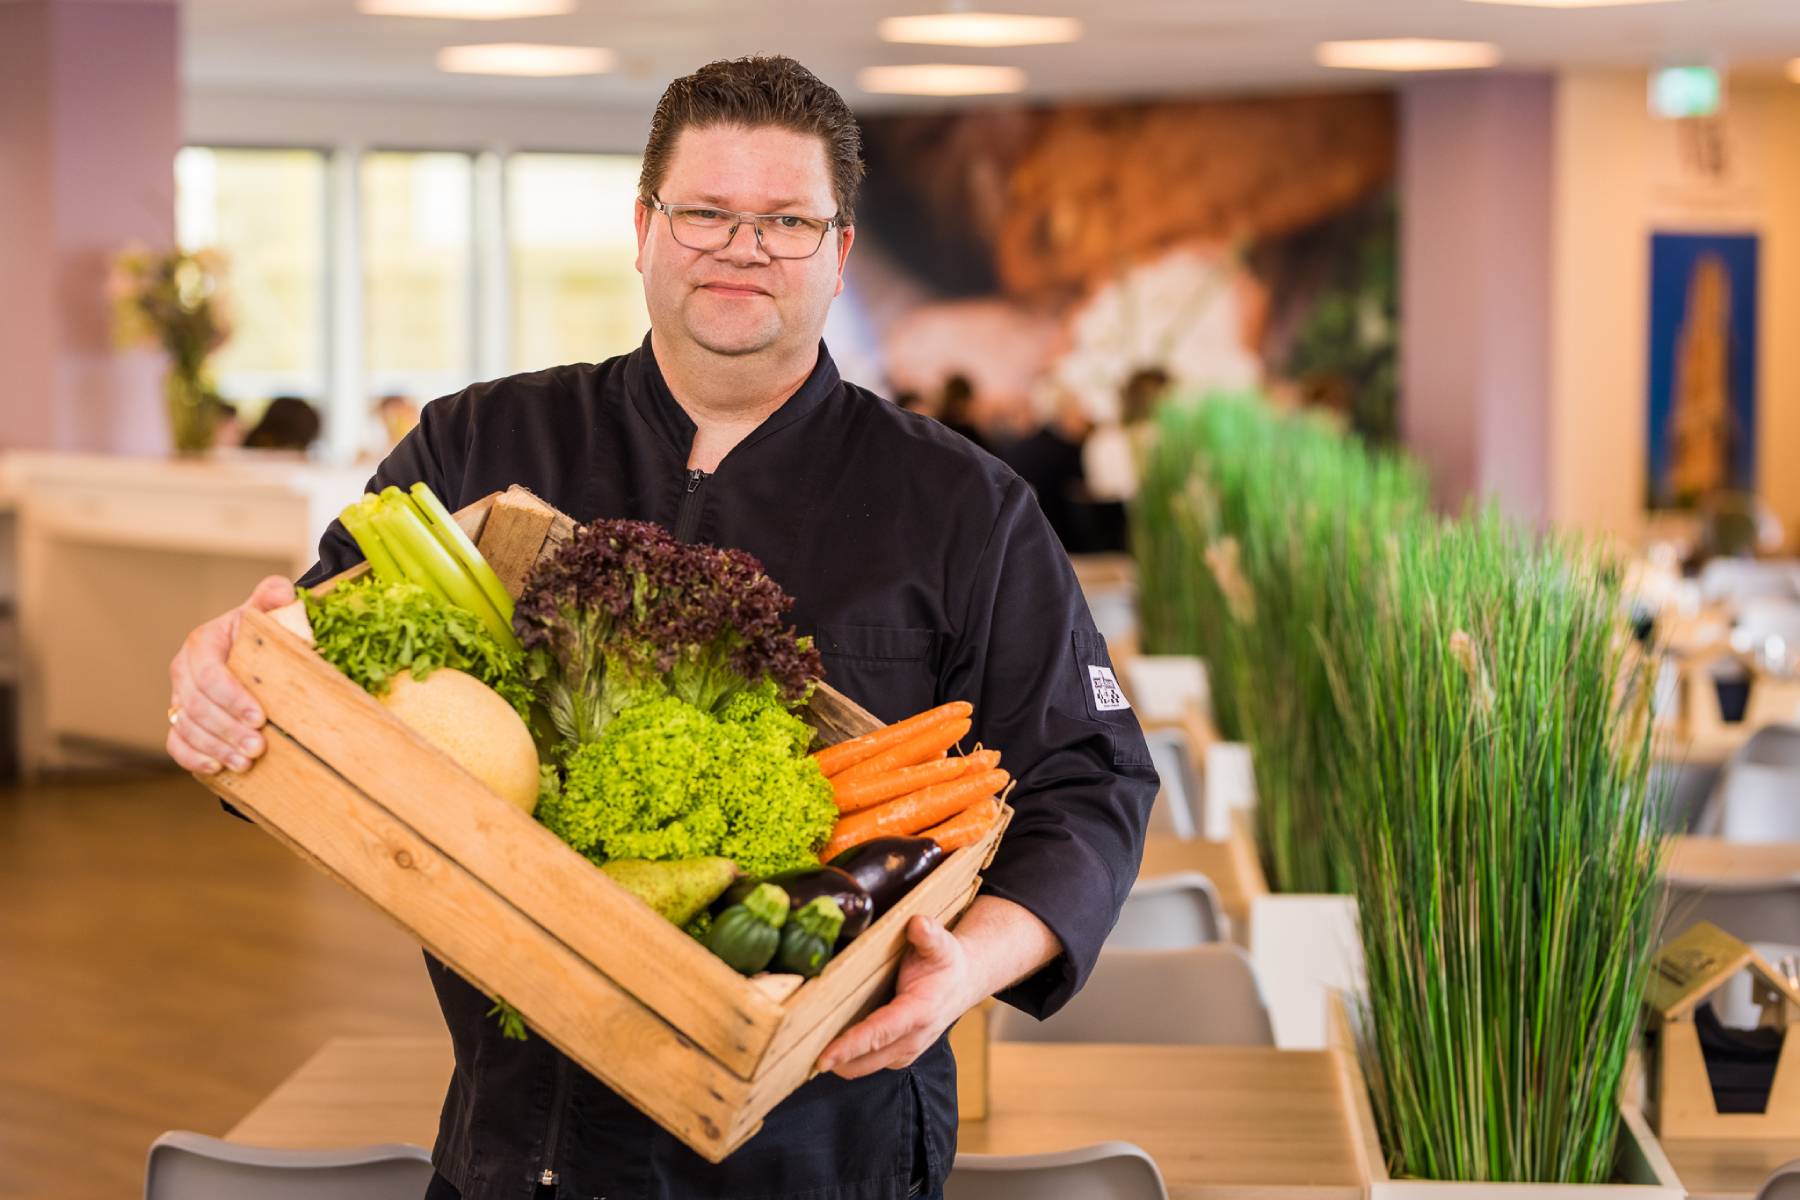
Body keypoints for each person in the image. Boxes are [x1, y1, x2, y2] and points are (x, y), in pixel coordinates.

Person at [164, 55, 1155, 1200]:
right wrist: (226, 680)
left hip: (824, 1150)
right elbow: (308, 678)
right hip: (510, 1137)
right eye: (706, 212)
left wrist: (964, 969)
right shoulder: (478, 445)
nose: (743, 247)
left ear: (838, 255)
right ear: (643, 229)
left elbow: (1091, 786)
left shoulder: (965, 508)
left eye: (787, 220)